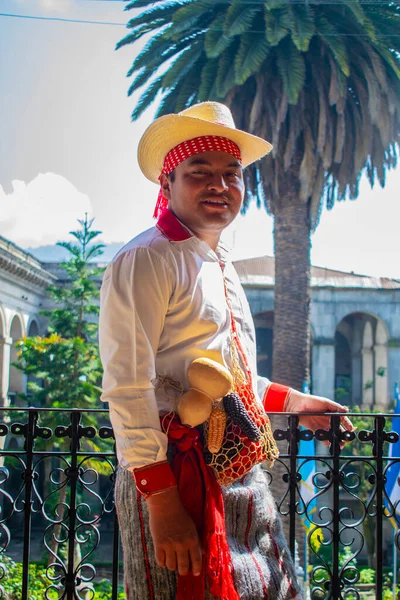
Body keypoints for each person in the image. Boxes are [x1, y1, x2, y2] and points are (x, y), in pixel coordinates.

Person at [99, 101, 353, 600]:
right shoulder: (146, 260)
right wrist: (162, 502)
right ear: (168, 184)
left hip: (240, 468)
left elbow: (232, 376)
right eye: (201, 172)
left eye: (232, 174)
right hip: (176, 473)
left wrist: (295, 403)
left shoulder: (218, 263)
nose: (220, 185)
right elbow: (128, 388)